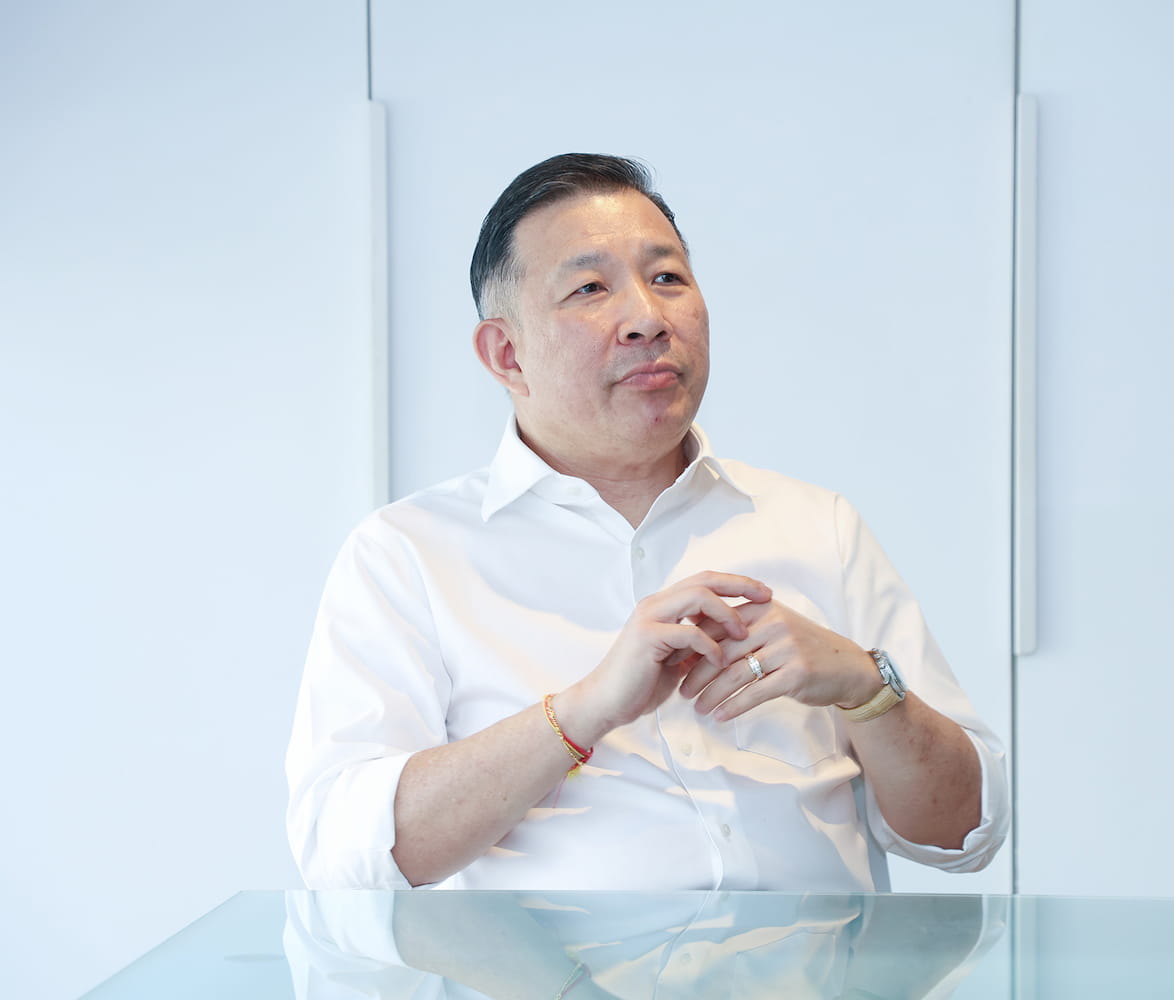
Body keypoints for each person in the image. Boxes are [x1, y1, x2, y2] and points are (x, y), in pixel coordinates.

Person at [286, 154, 1009, 892]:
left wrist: (865, 687)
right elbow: (346, 854)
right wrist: (583, 711)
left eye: (666, 278)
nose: (648, 319)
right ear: (507, 354)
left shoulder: (819, 526)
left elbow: (964, 834)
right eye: (590, 289)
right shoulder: (409, 553)